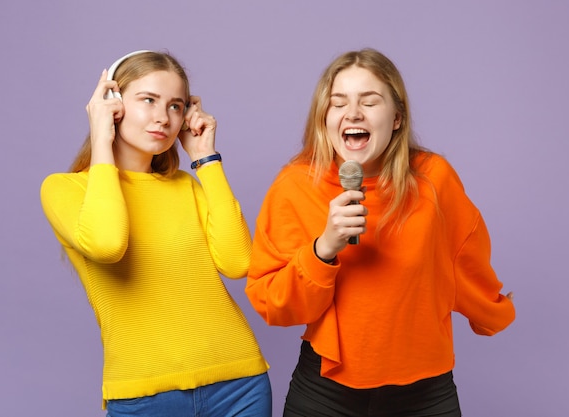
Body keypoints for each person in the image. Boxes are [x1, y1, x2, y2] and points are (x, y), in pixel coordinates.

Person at [245, 48, 515, 417]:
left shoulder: (434, 179)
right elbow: (272, 302)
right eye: (338, 103)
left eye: (369, 102)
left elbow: (460, 262)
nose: (352, 113)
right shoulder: (296, 184)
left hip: (424, 390)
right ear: (324, 118)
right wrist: (323, 249)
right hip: (325, 390)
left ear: (397, 118)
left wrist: (491, 312)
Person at [40, 50, 271, 417]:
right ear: (112, 105)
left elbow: (239, 262)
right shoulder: (65, 189)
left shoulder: (188, 186)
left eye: (176, 106)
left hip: (239, 383)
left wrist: (206, 160)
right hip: (143, 395)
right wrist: (101, 138)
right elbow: (107, 244)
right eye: (148, 100)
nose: (163, 117)